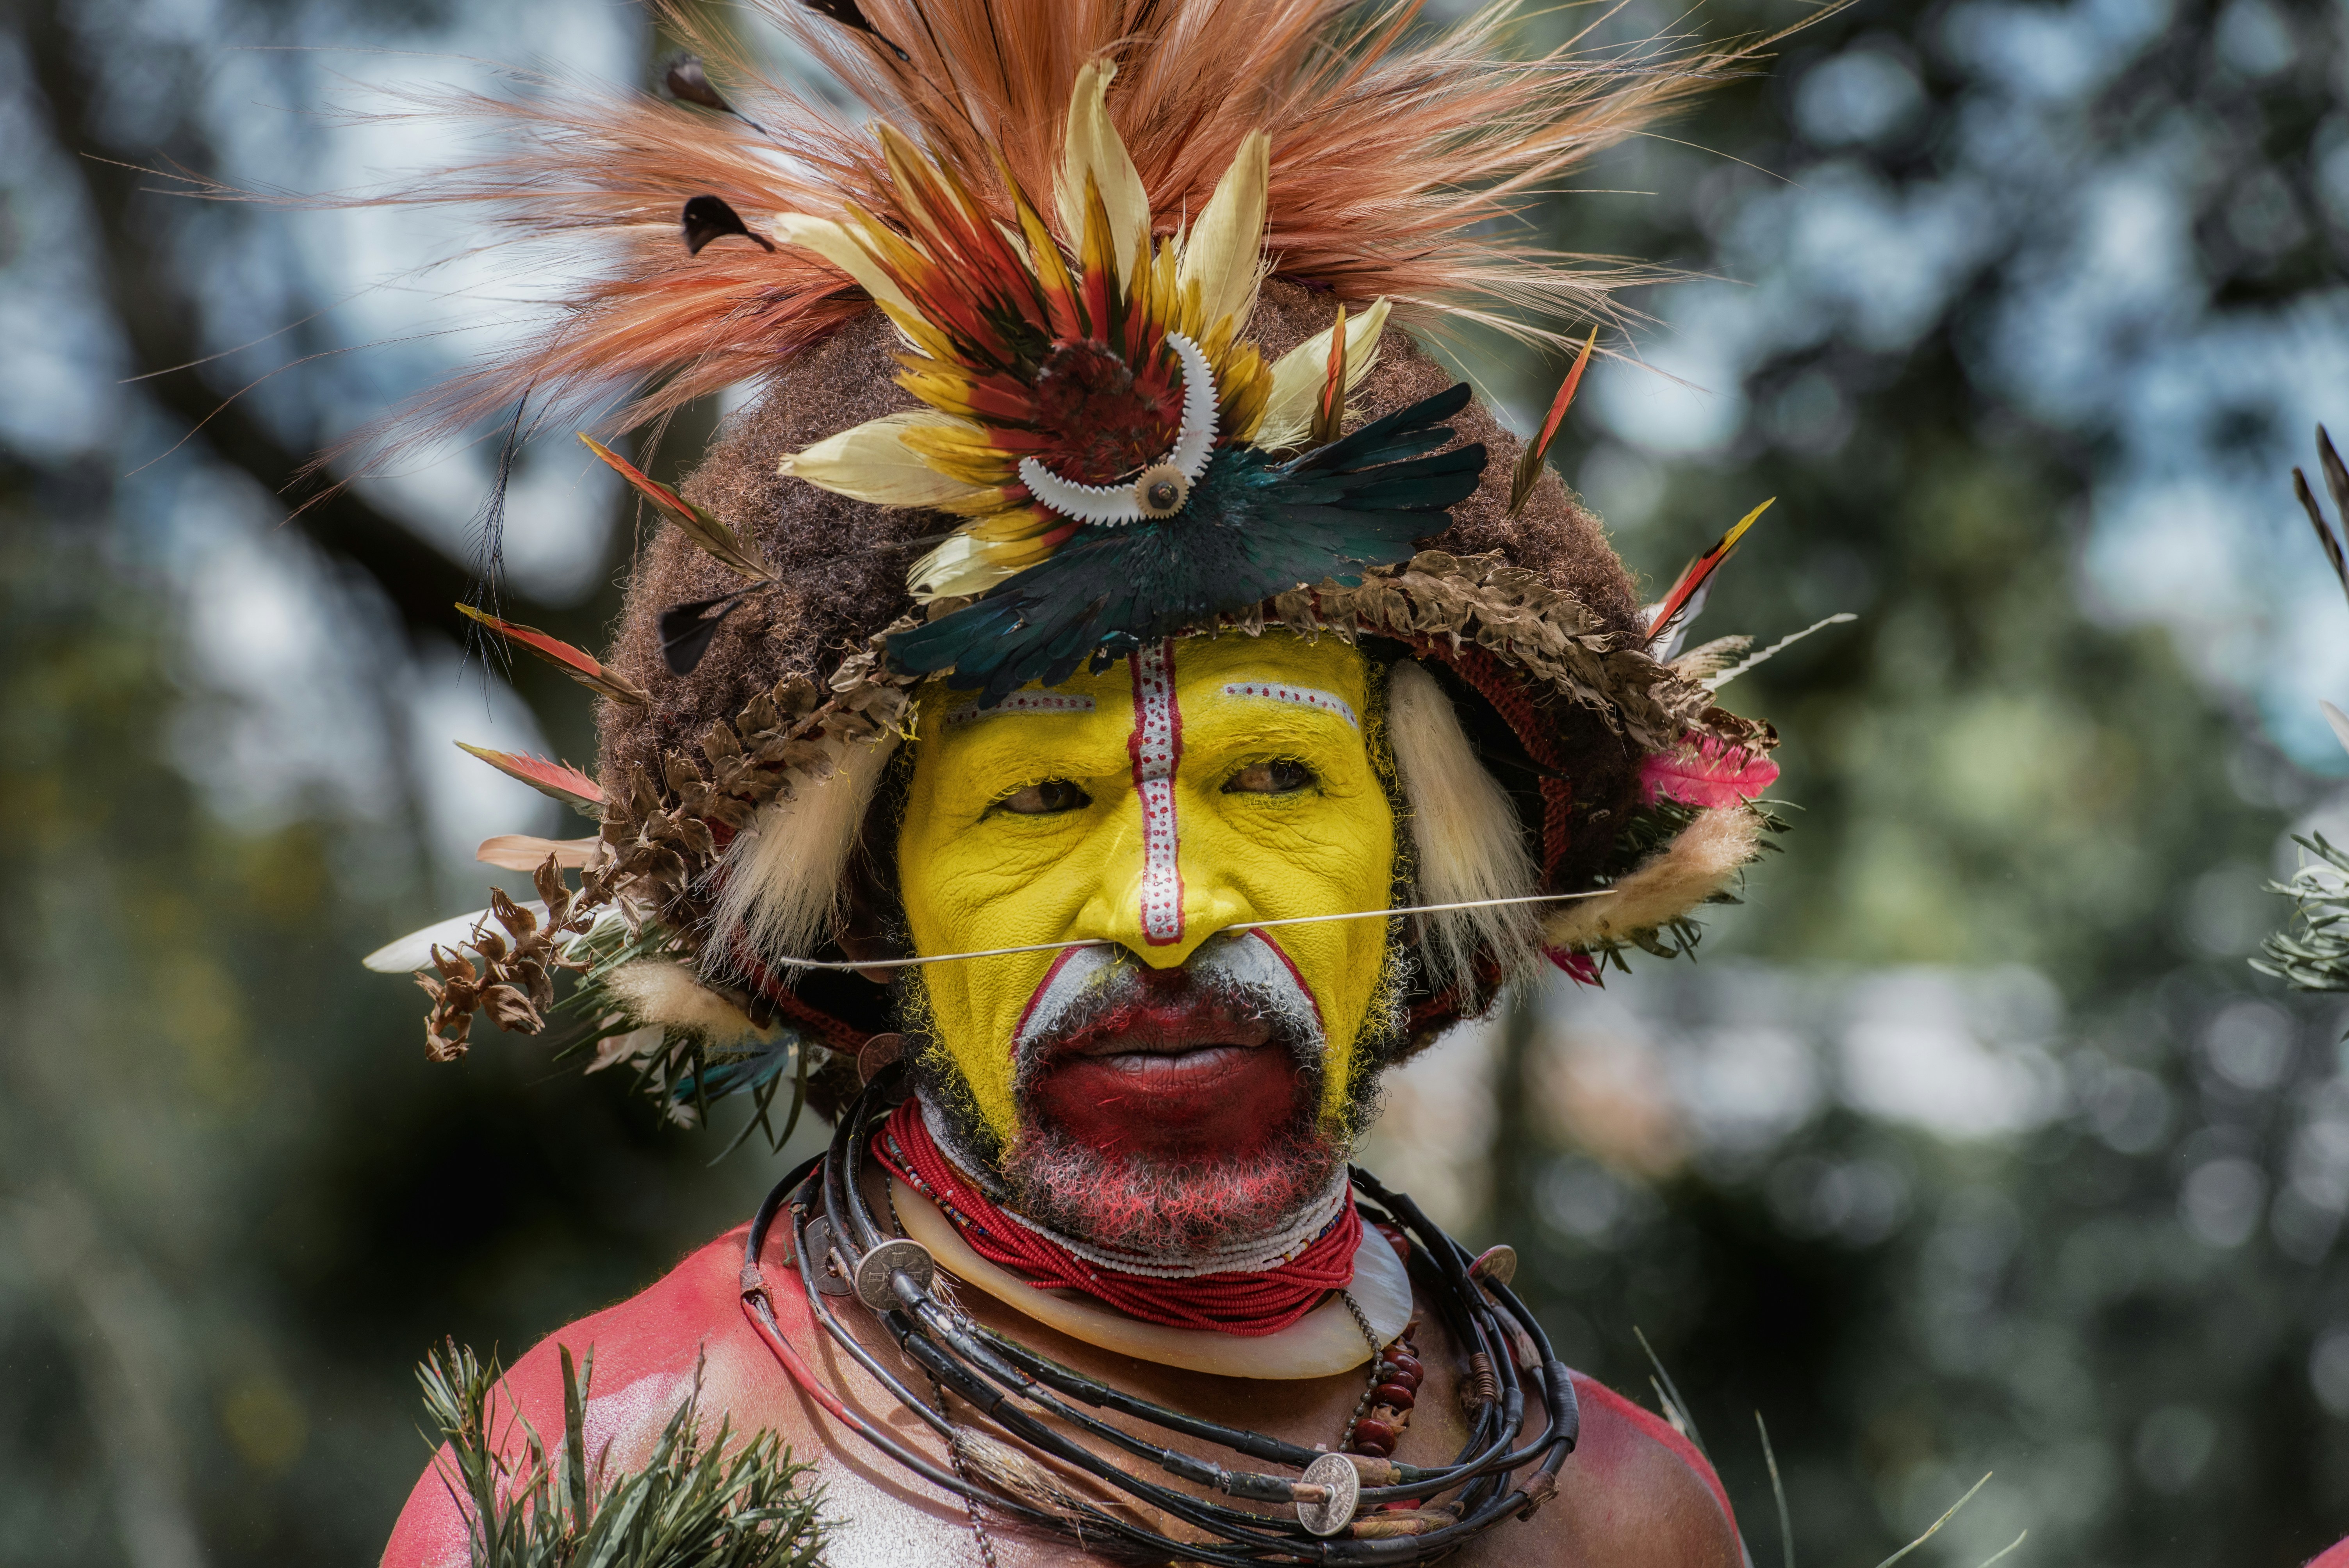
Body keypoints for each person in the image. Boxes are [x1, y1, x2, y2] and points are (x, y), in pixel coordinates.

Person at [366, 4, 1789, 1561]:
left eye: (1272, 775)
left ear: (1416, 859)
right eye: (1037, 801)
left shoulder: (1614, 1518)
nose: (1168, 908)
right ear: (872, 891)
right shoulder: (612, 1476)